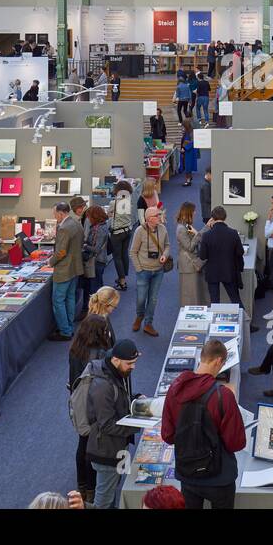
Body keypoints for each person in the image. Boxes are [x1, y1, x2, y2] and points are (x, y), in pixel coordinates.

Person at [162, 338, 247, 509]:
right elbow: (235, 443)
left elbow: (168, 435)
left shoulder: (174, 390)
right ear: (218, 361)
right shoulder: (223, 395)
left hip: (188, 473)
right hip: (219, 476)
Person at [80, 338, 141, 508]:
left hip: (119, 447)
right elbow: (107, 424)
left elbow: (119, 400)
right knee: (104, 502)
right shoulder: (102, 386)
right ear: (115, 360)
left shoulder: (117, 372)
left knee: (113, 489)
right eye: (129, 363)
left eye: (135, 362)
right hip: (106, 453)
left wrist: (135, 399)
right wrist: (138, 424)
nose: (133, 367)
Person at [68, 304, 116, 503]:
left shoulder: (76, 348)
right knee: (94, 446)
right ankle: (92, 487)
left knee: (82, 442)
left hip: (78, 401)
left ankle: (83, 485)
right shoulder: (101, 354)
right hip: (95, 404)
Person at [130, 206, 170, 336]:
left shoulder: (163, 229)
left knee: (153, 299)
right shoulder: (139, 231)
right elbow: (133, 252)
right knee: (141, 298)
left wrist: (165, 254)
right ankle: (139, 316)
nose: (159, 217)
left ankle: (148, 324)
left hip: (158, 271)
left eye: (159, 215)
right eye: (157, 216)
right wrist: (139, 269)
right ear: (149, 219)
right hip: (144, 271)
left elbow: (167, 245)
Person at [49, 201, 84, 341]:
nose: (55, 217)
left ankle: (64, 331)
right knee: (70, 298)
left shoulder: (64, 228)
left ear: (61, 213)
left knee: (58, 300)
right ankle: (69, 326)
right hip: (75, 267)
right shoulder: (76, 223)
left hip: (64, 270)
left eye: (55, 214)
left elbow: (61, 251)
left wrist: (50, 262)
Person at [197, 207, 244, 305]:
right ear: (225, 217)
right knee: (235, 299)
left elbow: (202, 256)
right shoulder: (233, 233)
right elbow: (240, 252)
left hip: (212, 273)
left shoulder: (206, 235)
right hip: (229, 271)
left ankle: (215, 320)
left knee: (215, 302)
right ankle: (243, 319)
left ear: (212, 218)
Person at [79, 204, 111, 320]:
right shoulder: (99, 226)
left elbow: (96, 249)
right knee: (93, 287)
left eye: (89, 217)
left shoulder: (100, 229)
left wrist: (84, 246)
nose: (88, 219)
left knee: (94, 288)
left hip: (96, 262)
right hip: (97, 261)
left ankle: (95, 314)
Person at [176, 202, 206, 306]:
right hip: (188, 265)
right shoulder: (181, 229)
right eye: (193, 211)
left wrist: (204, 229)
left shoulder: (186, 225)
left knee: (194, 294)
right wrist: (198, 234)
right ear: (188, 212)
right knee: (189, 296)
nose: (195, 213)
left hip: (191, 263)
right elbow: (190, 247)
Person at [107, 180, 135, 291]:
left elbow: (108, 214)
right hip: (128, 230)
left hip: (117, 233)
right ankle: (122, 276)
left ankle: (122, 282)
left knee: (117, 257)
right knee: (124, 255)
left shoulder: (114, 203)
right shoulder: (129, 201)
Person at [180, 120, 198, 187]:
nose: (183, 127)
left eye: (183, 126)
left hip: (189, 151)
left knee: (188, 166)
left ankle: (188, 180)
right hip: (189, 150)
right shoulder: (189, 131)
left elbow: (189, 142)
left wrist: (184, 148)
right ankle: (189, 178)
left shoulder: (189, 133)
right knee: (188, 166)